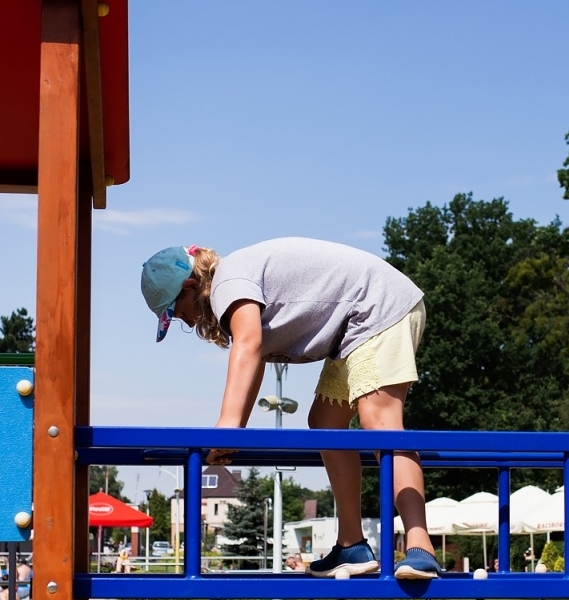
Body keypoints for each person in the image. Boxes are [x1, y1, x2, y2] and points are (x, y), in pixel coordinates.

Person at [141, 239, 440, 580]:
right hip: (353, 327)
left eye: (178, 313)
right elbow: (255, 360)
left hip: (379, 308)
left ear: (191, 287)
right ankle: (352, 544)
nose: (188, 322)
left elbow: (249, 345)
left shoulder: (227, 283)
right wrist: (233, 430)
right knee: (325, 422)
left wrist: (225, 428)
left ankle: (420, 543)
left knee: (380, 420)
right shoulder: (234, 287)